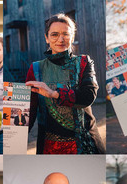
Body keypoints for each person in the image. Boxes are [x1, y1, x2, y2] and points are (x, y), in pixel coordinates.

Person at [25, 13, 105, 154]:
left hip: (85, 143)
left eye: (66, 34)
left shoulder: (83, 62)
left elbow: (88, 96)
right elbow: (29, 111)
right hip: (49, 146)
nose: (60, 39)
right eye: (54, 34)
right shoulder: (36, 68)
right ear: (46, 38)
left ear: (72, 37)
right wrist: (13, 136)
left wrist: (53, 93)